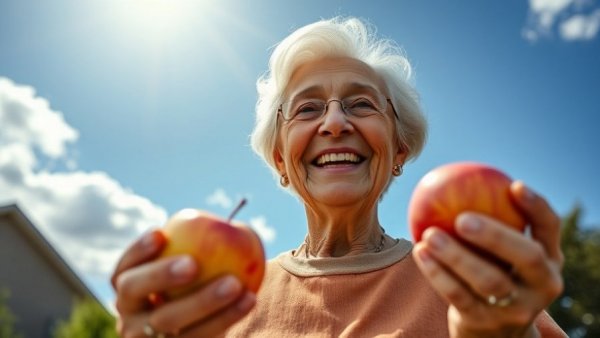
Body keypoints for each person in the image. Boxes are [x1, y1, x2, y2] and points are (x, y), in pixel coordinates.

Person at [111, 17, 566, 337]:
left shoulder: (477, 284)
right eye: (308, 109)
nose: (334, 123)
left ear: (398, 150)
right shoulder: (217, 298)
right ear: (281, 160)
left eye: (362, 104)